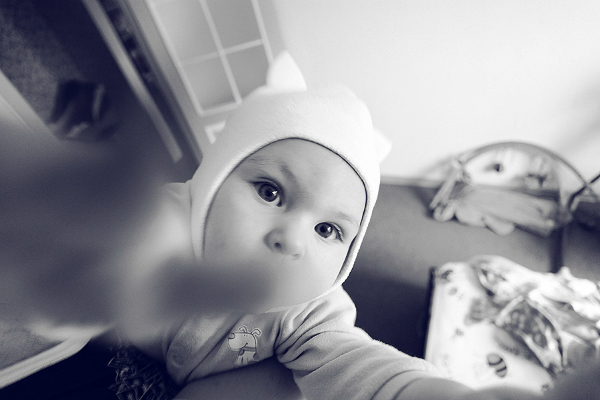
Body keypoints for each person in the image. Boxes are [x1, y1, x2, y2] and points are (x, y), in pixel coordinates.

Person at [1, 84, 599, 400]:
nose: (292, 239)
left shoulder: (312, 313)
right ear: (211, 181)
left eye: (329, 230)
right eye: (270, 192)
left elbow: (368, 373)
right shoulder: (166, 219)